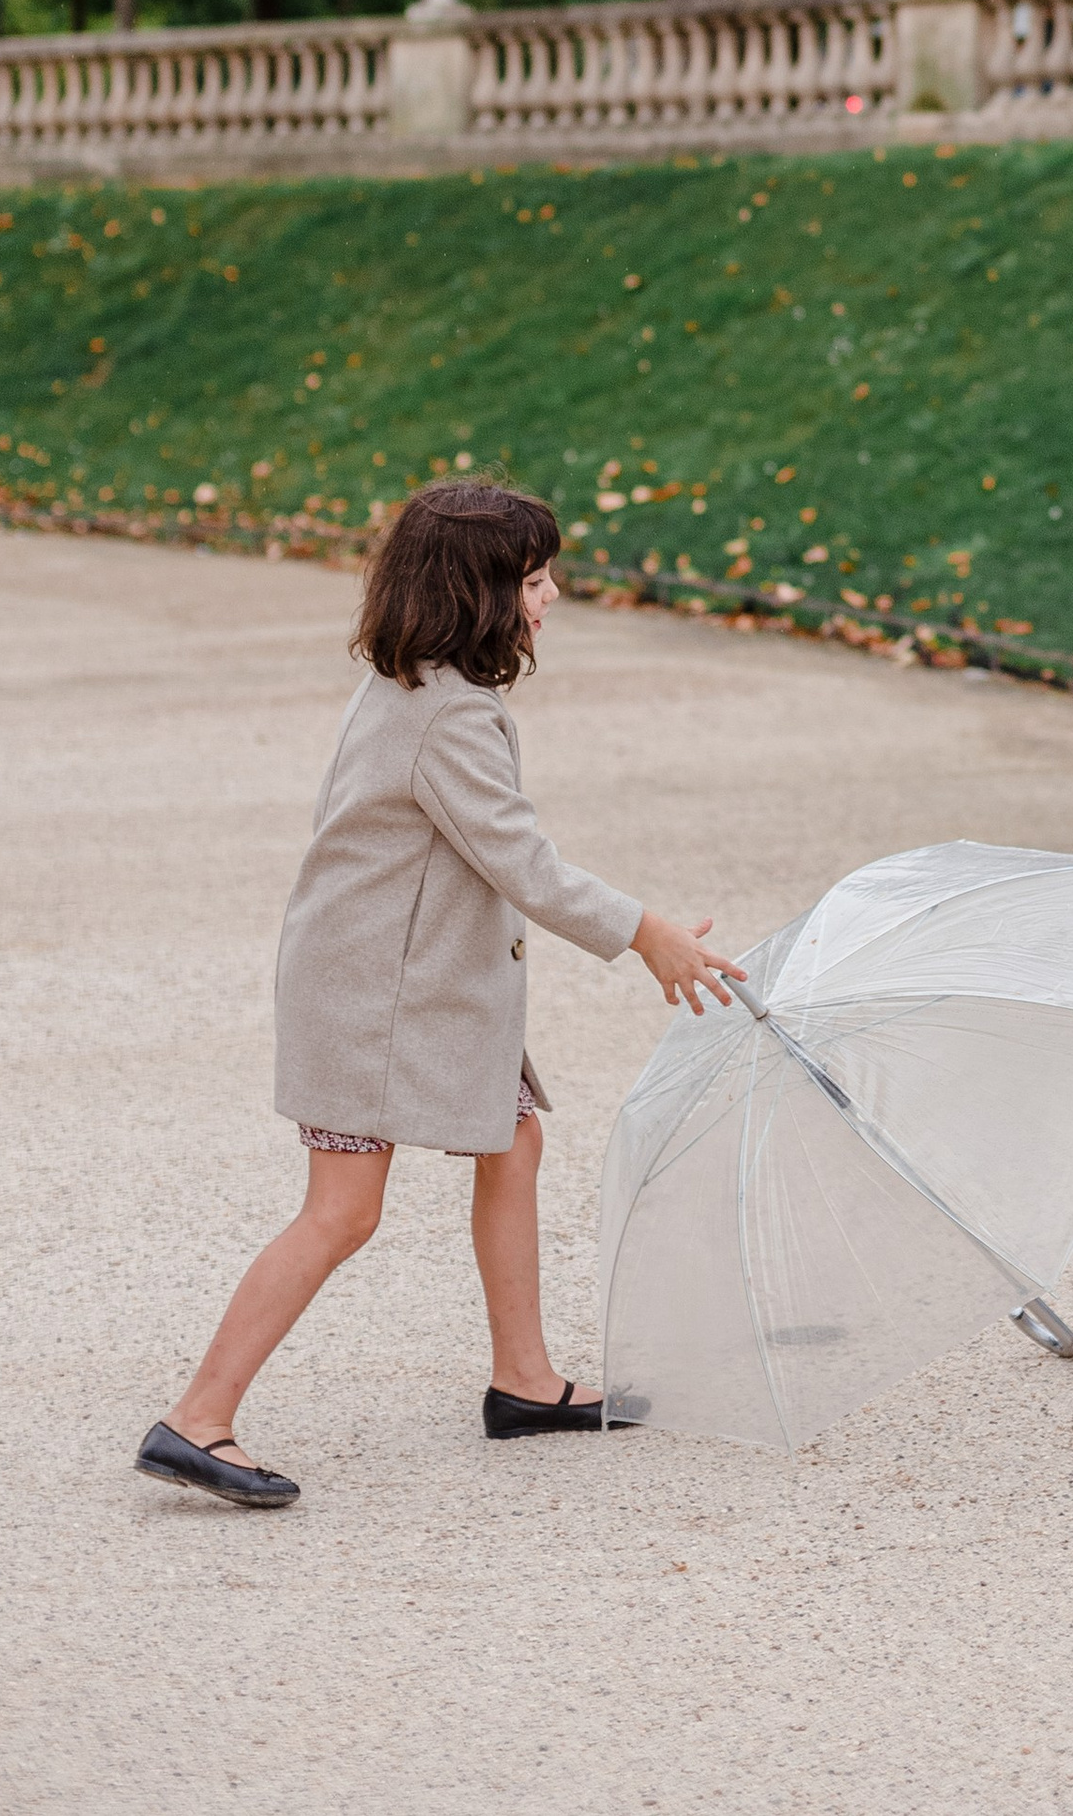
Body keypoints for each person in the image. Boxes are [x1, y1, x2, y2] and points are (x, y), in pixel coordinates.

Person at [135, 479, 735, 1510]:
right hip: (371, 1002)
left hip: (411, 988)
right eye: (535, 581)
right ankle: (196, 1419)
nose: (550, 598)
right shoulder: (445, 717)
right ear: (477, 596)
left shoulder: (418, 680)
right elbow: (524, 862)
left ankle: (524, 1382)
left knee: (514, 1139)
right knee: (341, 1212)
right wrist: (648, 933)